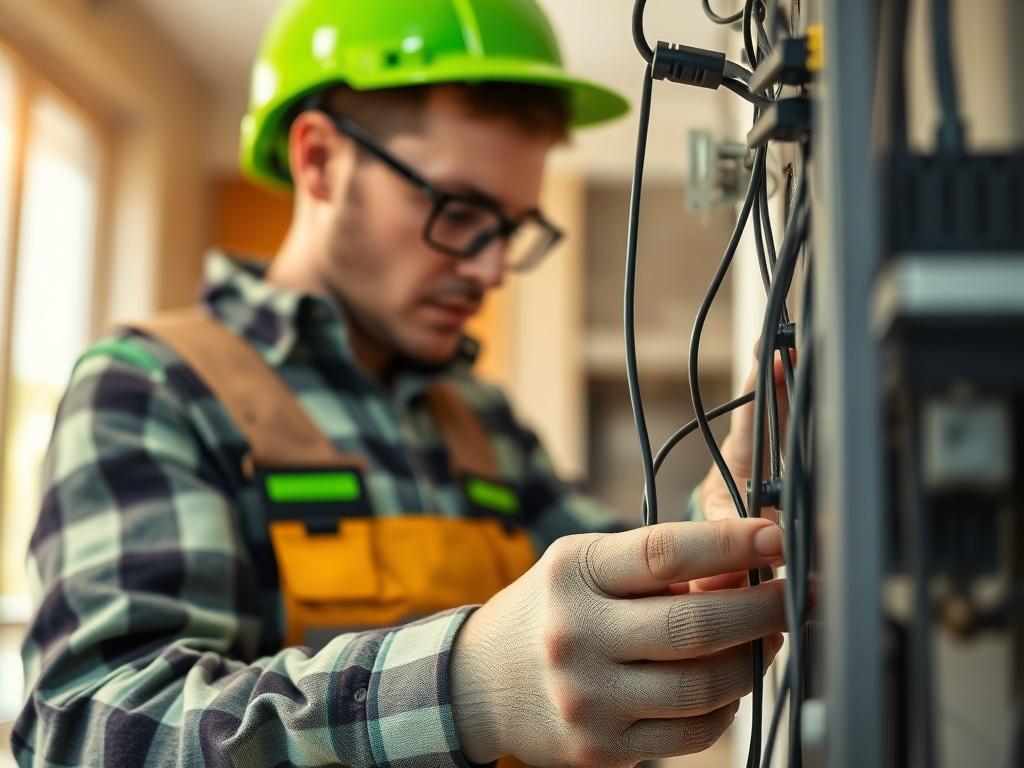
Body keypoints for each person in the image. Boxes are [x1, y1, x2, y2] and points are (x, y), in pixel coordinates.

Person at [12, 1, 787, 765]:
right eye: (458, 210)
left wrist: (718, 521)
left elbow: (610, 599)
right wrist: (467, 688)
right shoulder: (153, 389)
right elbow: (91, 734)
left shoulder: (481, 421)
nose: (489, 270)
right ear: (319, 160)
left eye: (512, 230)